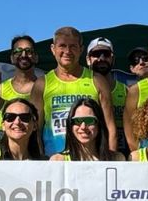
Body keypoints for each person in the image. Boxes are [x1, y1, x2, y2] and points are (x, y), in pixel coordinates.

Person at [40, 26, 121, 157]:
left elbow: (110, 128)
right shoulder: (41, 84)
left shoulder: (97, 80)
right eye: (62, 46)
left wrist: (108, 160)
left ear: (81, 49)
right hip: (54, 161)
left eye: (73, 46)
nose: (67, 51)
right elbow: (35, 130)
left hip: (92, 159)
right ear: (53, 49)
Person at [86, 37, 130, 146]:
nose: (102, 58)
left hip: (122, 151)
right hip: (94, 150)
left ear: (113, 59)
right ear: (88, 59)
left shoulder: (126, 91)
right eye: (96, 54)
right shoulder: (83, 89)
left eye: (106, 54)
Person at [52, 96, 116, 162]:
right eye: (77, 121)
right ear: (70, 125)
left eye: (89, 120)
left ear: (99, 124)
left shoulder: (116, 159)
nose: (83, 127)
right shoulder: (57, 161)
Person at [0, 34, 45, 103]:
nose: (23, 55)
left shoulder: (45, 87)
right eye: (18, 51)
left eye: (28, 51)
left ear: (36, 58)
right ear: (12, 58)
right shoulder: (1, 90)